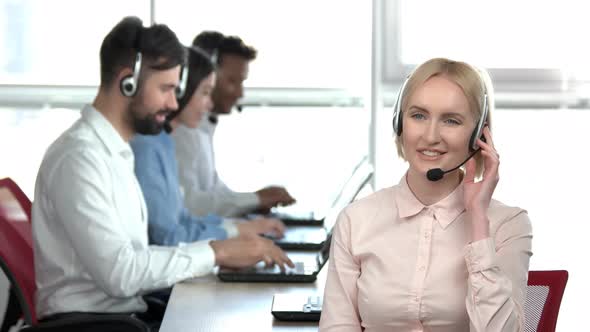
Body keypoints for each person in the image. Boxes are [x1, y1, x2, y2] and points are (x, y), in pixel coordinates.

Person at [31, 17, 292, 329]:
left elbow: (136, 258)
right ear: (127, 81)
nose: (173, 102)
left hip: (124, 315)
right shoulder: (79, 159)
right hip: (93, 326)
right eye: (167, 88)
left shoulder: (114, 152)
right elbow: (121, 274)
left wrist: (224, 246)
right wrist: (216, 251)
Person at [319, 58, 533, 331]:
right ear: (400, 123)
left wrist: (478, 220)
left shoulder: (509, 224)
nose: (431, 136)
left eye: (451, 120)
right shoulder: (356, 220)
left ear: (479, 135)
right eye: (418, 115)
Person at [131, 46, 287, 246]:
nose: (209, 105)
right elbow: (167, 237)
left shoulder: (164, 143)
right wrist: (231, 240)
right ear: (182, 91)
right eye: (205, 93)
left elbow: (184, 219)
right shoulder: (149, 147)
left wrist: (241, 228)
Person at [171, 31, 296, 218]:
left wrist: (255, 201)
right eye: (232, 81)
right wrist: (256, 199)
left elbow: (215, 192)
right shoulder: (181, 132)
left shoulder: (203, 128)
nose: (239, 93)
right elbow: (190, 205)